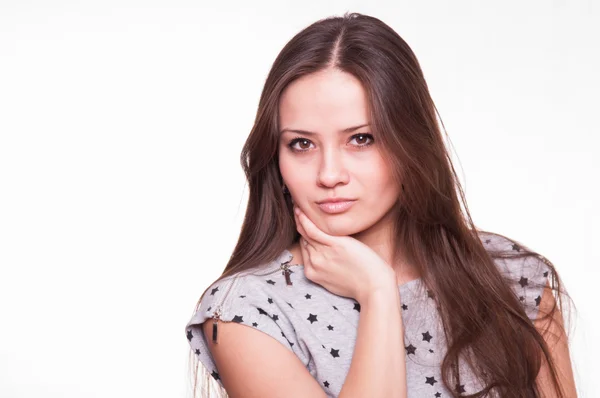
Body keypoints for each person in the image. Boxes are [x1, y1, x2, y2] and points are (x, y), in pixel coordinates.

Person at [184, 12, 577, 398]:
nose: (329, 174)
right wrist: (377, 293)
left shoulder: (512, 280)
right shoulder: (247, 310)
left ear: (410, 141)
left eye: (361, 139)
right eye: (302, 144)